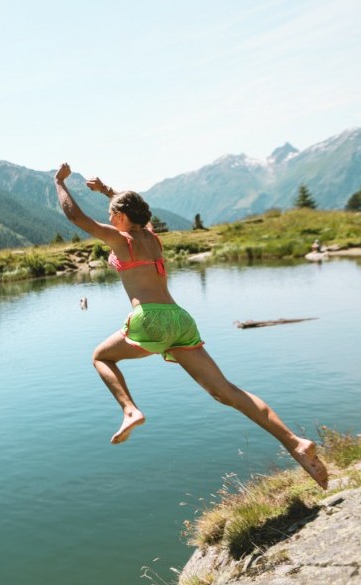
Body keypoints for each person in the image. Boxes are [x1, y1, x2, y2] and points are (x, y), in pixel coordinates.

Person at [54, 163, 329, 489]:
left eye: (112, 215)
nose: (110, 219)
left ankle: (129, 410)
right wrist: (107, 191)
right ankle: (295, 443)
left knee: (101, 357)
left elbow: (76, 217)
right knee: (226, 391)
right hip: (180, 319)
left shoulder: (121, 240)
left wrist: (60, 183)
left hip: (150, 319)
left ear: (123, 218)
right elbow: (133, 209)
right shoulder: (152, 237)